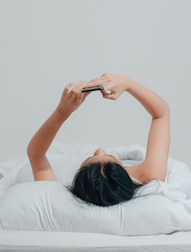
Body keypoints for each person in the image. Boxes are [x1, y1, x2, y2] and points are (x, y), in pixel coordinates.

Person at [27, 73, 170, 206]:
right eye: (109, 156)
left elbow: (36, 154)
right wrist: (128, 83)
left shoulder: (58, 196)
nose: (99, 150)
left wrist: (63, 111)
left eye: (91, 157)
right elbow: (161, 114)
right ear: (125, 174)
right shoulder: (148, 176)